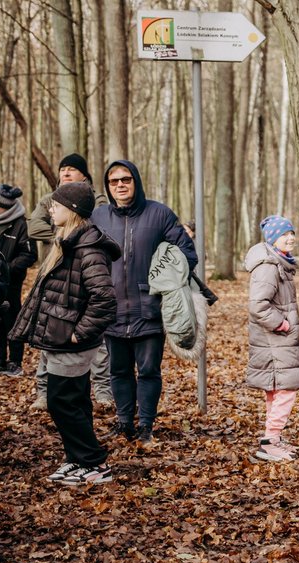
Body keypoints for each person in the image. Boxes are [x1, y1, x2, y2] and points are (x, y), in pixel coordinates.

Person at [9, 182, 120, 485]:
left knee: (61, 402)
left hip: (71, 340)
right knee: (75, 400)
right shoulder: (67, 241)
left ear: (72, 210)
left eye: (56, 205)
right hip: (60, 336)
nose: (50, 209)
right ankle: (77, 458)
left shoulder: (88, 248)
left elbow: (104, 299)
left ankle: (94, 463)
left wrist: (78, 334)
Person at [92, 160, 196, 444]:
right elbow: (86, 256)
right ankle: (125, 423)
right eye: (114, 181)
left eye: (125, 179)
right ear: (108, 186)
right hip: (112, 308)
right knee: (118, 371)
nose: (120, 185)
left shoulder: (159, 214)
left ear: (135, 181)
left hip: (149, 307)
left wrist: (163, 280)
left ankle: (146, 426)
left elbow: (187, 254)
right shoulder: (98, 217)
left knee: (149, 371)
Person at [28, 153, 113, 411]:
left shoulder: (98, 200)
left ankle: (102, 392)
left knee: (94, 341)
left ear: (84, 175)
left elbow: (99, 227)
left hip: (84, 275)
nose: (65, 173)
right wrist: (61, 234)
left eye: (72, 169)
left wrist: (73, 233)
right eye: (62, 169)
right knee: (50, 334)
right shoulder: (50, 199)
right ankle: (44, 392)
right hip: (57, 271)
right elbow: (33, 227)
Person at [245, 215, 299, 462]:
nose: (290, 238)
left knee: (277, 390)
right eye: (284, 234)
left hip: (276, 341)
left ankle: (272, 438)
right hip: (274, 339)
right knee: (286, 390)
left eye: (291, 233)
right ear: (273, 239)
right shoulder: (269, 267)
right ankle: (270, 442)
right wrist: (281, 323)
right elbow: (258, 305)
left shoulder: (279, 262)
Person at [0, 184, 36, 376]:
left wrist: (6, 269)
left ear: (7, 206)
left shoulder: (22, 225)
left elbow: (29, 255)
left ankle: (15, 361)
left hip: (11, 283)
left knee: (13, 321)